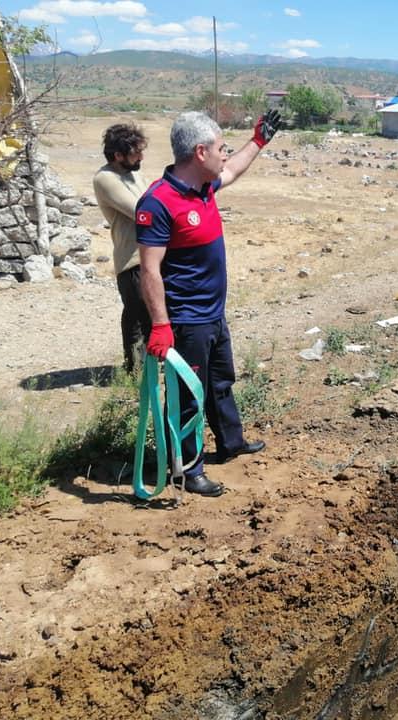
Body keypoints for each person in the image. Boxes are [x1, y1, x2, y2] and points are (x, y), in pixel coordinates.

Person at [136, 109, 282, 497]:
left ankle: (230, 442)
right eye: (221, 148)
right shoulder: (159, 202)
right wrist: (161, 325)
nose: (224, 154)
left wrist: (259, 141)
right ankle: (188, 470)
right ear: (200, 152)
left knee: (220, 382)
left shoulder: (205, 186)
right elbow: (149, 271)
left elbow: (232, 171)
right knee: (187, 397)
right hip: (186, 320)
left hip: (213, 314)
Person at [93, 123, 152, 373]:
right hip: (132, 260)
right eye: (134, 152)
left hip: (151, 255)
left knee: (148, 315)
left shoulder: (135, 173)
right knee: (139, 317)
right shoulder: (105, 178)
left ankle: (145, 368)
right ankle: (135, 374)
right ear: (117, 155)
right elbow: (143, 210)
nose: (140, 157)